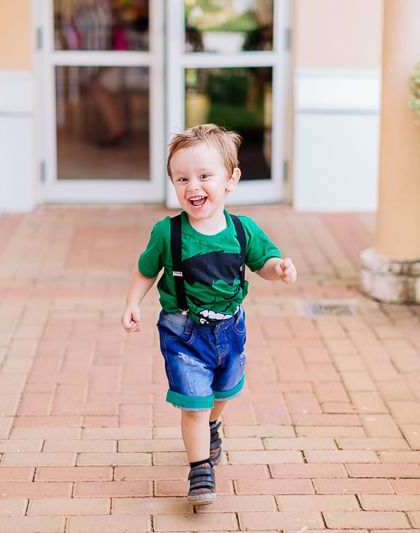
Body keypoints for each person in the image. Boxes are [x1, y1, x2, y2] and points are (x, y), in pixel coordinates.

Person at [121, 124, 297, 505]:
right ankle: (200, 471)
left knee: (223, 390)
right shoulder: (167, 233)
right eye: (182, 178)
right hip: (182, 332)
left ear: (231, 180)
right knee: (194, 403)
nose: (193, 186)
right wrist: (133, 301)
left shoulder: (241, 229)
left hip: (230, 328)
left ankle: (215, 422)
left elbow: (262, 262)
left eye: (204, 176)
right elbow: (146, 270)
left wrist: (276, 268)